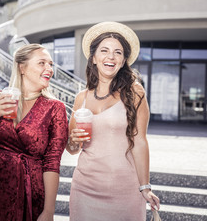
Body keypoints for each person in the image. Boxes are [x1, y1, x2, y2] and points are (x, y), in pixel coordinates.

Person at [0, 44, 68, 221]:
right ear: (22, 67)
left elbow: (52, 162)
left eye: (51, 64)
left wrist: (49, 211)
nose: (49, 69)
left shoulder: (55, 108)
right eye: (42, 63)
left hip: (29, 194)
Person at [66, 21, 160, 220]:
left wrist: (145, 187)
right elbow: (73, 148)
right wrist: (73, 140)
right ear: (93, 58)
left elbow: (140, 141)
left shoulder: (134, 92)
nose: (111, 56)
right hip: (85, 188)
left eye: (118, 52)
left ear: (124, 60)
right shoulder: (81, 99)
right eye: (105, 50)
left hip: (125, 189)